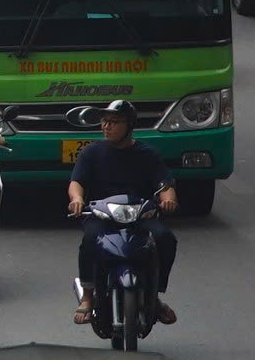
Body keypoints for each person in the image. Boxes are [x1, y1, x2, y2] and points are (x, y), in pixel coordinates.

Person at [66, 99, 179, 326]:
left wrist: (168, 200)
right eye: (105, 122)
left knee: (166, 238)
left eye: (114, 122)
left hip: (140, 216)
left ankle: (154, 295)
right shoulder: (92, 152)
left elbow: (165, 185)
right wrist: (77, 199)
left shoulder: (148, 154)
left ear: (129, 126)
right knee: (90, 239)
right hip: (102, 216)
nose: (107, 127)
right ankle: (88, 296)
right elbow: (76, 182)